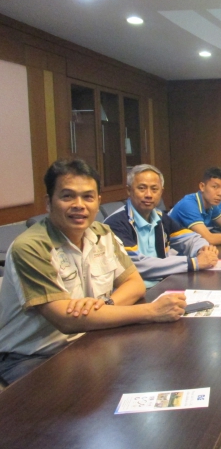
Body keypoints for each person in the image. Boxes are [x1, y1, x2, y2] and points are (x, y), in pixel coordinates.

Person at [0, 159, 186, 384]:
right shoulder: (31, 247)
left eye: (87, 197)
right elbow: (66, 320)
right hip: (32, 356)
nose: (79, 205)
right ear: (49, 202)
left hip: (90, 337)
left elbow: (134, 284)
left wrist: (104, 306)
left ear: (98, 201)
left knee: (159, 367)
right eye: (67, 196)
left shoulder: (102, 234)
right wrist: (151, 312)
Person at [104, 164, 219, 288]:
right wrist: (193, 263)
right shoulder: (116, 223)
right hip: (135, 291)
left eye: (154, 189)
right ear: (129, 190)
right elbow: (136, 265)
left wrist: (203, 250)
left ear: (161, 192)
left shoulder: (160, 217)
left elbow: (191, 238)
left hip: (162, 283)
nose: (149, 194)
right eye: (142, 188)